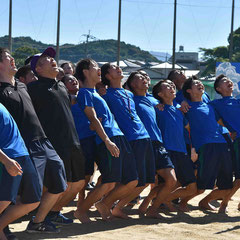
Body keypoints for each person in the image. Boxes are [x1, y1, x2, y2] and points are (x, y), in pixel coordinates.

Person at [0, 47, 67, 233]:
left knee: (59, 182)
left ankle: (36, 221)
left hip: (43, 140)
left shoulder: (23, 86)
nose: (13, 59)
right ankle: (4, 227)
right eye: (8, 57)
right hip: (21, 145)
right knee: (18, 193)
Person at [74, 59, 138, 223]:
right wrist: (107, 141)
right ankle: (81, 211)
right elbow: (92, 118)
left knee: (132, 180)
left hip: (119, 136)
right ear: (86, 72)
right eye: (95, 67)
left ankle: (104, 204)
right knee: (109, 182)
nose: (99, 70)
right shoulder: (84, 93)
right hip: (107, 139)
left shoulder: (95, 92)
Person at [28, 47, 86, 223]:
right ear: (38, 69)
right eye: (46, 59)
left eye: (52, 58)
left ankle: (53, 212)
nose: (52, 60)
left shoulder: (61, 85)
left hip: (73, 141)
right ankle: (40, 217)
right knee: (56, 184)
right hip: (53, 143)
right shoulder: (32, 89)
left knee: (78, 182)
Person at [101, 64, 155, 218]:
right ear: (107, 75)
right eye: (113, 68)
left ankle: (117, 207)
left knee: (144, 182)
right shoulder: (106, 95)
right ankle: (106, 203)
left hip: (145, 137)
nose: (118, 68)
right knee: (132, 179)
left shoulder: (129, 94)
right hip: (130, 138)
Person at [127, 73, 177, 218]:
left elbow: (172, 104)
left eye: (145, 77)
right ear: (132, 84)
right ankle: (113, 204)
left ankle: (152, 207)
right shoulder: (129, 99)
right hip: (140, 142)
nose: (145, 78)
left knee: (171, 180)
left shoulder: (154, 100)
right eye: (140, 78)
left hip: (158, 143)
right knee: (139, 180)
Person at [181, 78, 233, 213]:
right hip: (206, 146)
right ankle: (182, 202)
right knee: (202, 186)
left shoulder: (211, 105)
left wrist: (231, 134)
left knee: (227, 185)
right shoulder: (185, 107)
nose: (200, 84)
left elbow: (221, 122)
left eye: (200, 83)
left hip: (222, 143)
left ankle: (204, 202)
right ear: (188, 91)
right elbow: (172, 105)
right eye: (195, 84)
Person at [152, 79, 197, 212]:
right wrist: (156, 104)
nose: (172, 86)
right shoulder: (157, 108)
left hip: (182, 152)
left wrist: (193, 148)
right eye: (167, 86)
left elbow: (189, 129)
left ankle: (165, 199)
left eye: (172, 85)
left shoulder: (179, 111)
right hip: (166, 151)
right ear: (160, 94)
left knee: (192, 187)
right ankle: (150, 204)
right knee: (165, 183)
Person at [0, 103, 41, 240]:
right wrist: (6, 160)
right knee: (4, 201)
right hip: (7, 157)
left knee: (33, 200)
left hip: (21, 153)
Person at [210, 74, 240, 210]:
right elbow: (216, 119)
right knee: (238, 179)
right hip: (237, 141)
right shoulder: (215, 104)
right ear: (218, 89)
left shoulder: (238, 101)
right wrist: (227, 129)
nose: (229, 82)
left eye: (229, 80)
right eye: (224, 81)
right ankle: (224, 203)